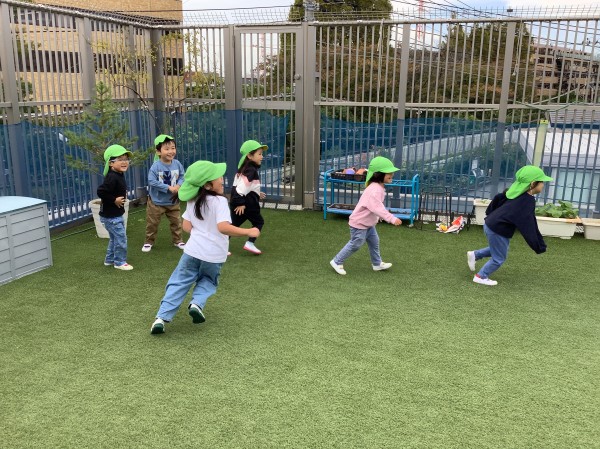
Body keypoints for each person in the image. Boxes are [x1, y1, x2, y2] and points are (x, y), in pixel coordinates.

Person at [150, 160, 260, 334]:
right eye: (218, 177)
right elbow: (223, 227)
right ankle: (196, 304)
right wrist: (249, 231)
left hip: (192, 252)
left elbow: (186, 227)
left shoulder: (192, 200)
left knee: (178, 283)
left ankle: (161, 318)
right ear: (208, 185)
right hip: (214, 256)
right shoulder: (220, 202)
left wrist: (200, 233)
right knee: (208, 280)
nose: (222, 179)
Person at [467, 165, 552, 286]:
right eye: (542, 182)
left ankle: (475, 255)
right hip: (498, 229)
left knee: (500, 249)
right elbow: (528, 224)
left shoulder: (513, 192)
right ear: (533, 183)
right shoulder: (527, 201)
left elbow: (497, 199)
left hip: (492, 224)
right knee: (499, 258)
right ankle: (480, 276)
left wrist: (490, 214)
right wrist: (538, 245)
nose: (543, 185)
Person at [330, 156, 402, 276]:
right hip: (360, 223)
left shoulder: (377, 187)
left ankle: (377, 263)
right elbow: (377, 207)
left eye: (391, 172)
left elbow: (374, 206)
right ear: (378, 174)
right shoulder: (375, 190)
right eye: (388, 173)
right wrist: (391, 218)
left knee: (374, 242)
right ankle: (337, 261)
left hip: (368, 223)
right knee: (356, 243)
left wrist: (378, 217)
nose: (392, 174)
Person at [142, 134, 186, 252]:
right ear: (158, 152)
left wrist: (178, 185)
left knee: (177, 222)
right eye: (167, 149)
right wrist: (168, 188)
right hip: (156, 202)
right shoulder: (155, 167)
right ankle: (148, 242)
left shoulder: (177, 164)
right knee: (152, 223)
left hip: (173, 201)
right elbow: (151, 181)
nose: (171, 151)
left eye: (173, 148)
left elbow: (182, 176)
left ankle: (178, 241)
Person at [97, 144, 134, 271]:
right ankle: (119, 262)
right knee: (121, 238)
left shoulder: (118, 174)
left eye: (126, 159)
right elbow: (101, 191)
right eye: (120, 159)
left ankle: (109, 259)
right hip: (111, 217)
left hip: (114, 215)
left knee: (114, 238)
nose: (125, 162)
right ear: (111, 163)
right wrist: (114, 200)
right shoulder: (112, 177)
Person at [230, 140, 267, 254]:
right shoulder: (251, 170)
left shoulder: (244, 168)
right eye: (259, 154)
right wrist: (240, 203)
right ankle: (250, 243)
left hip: (239, 204)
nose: (262, 157)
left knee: (232, 226)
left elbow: (243, 186)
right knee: (259, 222)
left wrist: (256, 192)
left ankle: (219, 246)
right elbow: (240, 188)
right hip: (247, 205)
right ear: (250, 156)